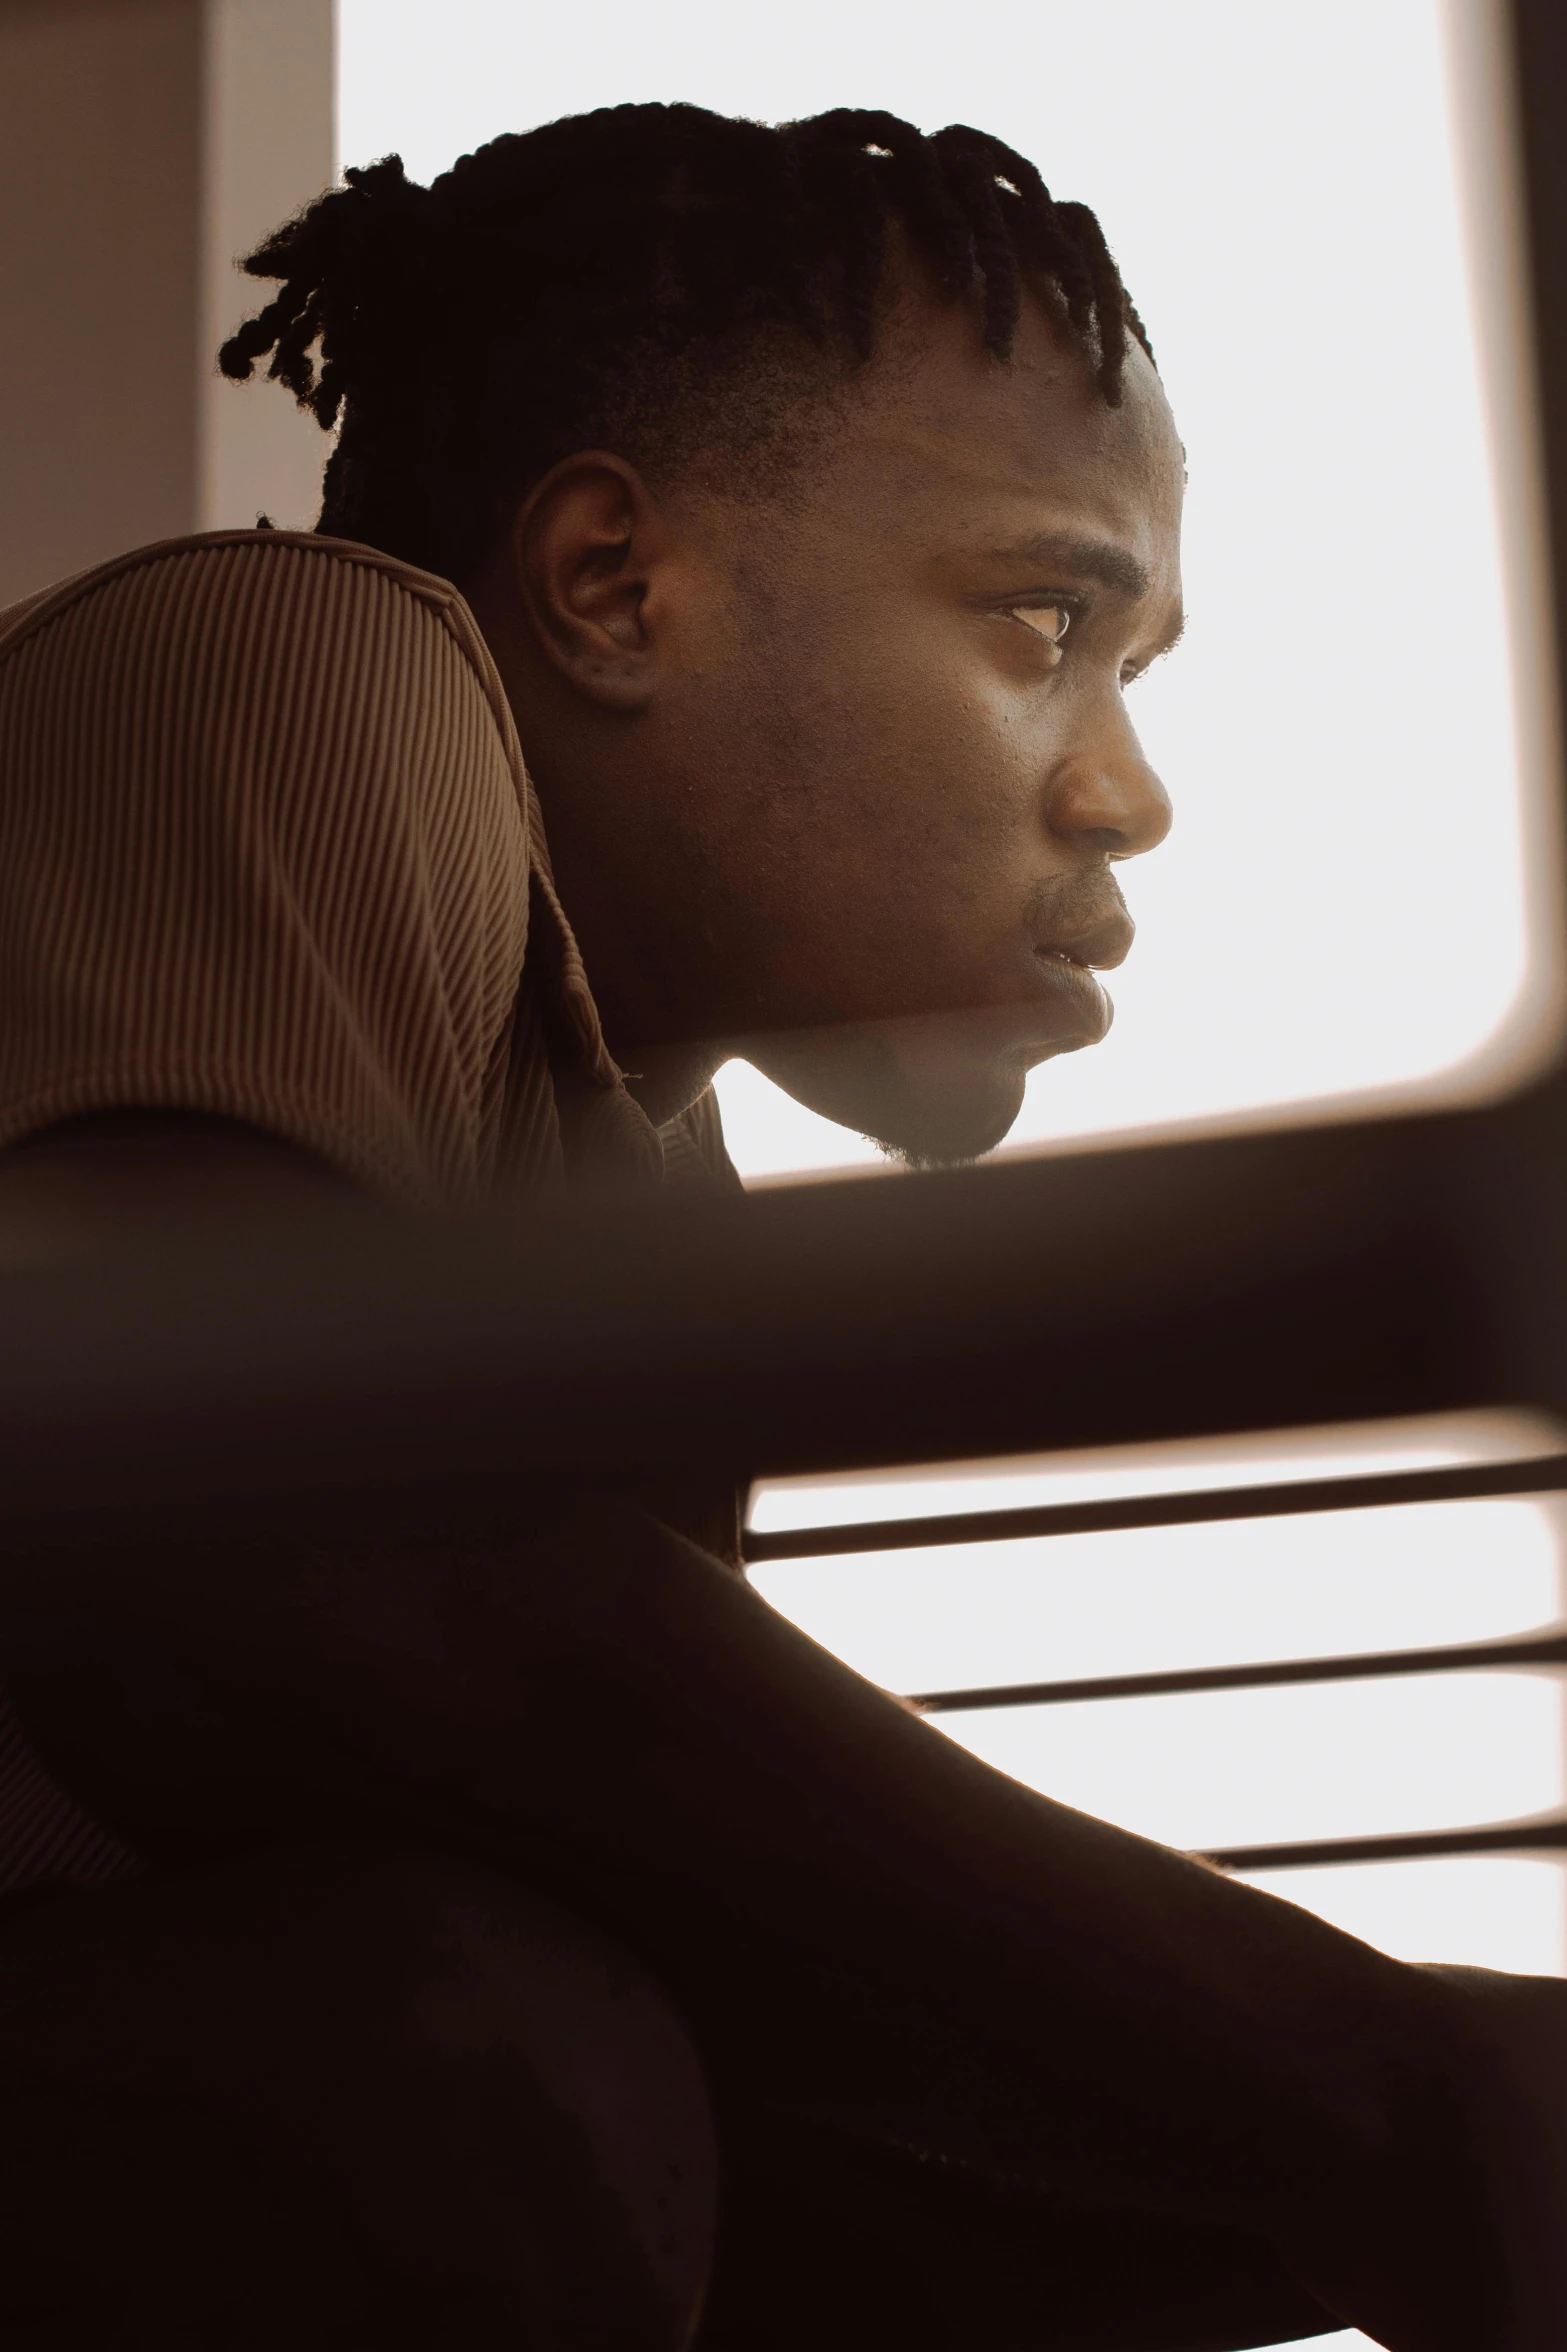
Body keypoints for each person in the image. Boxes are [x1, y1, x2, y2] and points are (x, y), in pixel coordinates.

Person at [0, 101, 1560, 2350]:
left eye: (1136, 674)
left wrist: (1331, 2157)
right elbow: (264, 1589)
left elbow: (714, 2099)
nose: (1126, 789)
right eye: (1045, 622)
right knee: (457, 2058)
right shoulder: (285, 661)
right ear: (614, 585)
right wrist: (1376, 2086)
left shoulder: (645, 1202)